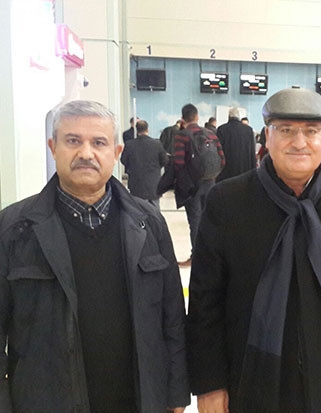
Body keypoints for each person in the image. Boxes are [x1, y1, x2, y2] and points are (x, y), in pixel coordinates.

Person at [186, 87, 321, 413]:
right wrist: (210, 383)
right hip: (251, 374)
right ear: (267, 137)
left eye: (311, 131)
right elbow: (206, 299)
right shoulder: (228, 201)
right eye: (285, 130)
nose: (299, 142)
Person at [0, 100, 190, 412]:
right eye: (73, 141)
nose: (86, 153)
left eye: (99, 143)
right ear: (53, 148)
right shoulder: (13, 229)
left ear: (116, 153)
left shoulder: (148, 223)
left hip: (138, 399)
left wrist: (176, 394)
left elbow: (172, 318)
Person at [173, 103, 224, 267]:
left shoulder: (181, 136)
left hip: (192, 186)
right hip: (210, 183)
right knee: (210, 219)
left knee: (195, 221)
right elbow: (222, 159)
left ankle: (196, 257)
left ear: (183, 119)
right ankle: (213, 255)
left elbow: (178, 164)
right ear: (197, 117)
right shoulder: (211, 134)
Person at [121, 119, 169, 208]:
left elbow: (123, 160)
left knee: (138, 209)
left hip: (136, 182)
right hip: (153, 182)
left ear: (136, 130)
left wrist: (132, 167)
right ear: (147, 129)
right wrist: (156, 168)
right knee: (154, 210)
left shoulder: (129, 144)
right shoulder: (157, 144)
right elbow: (165, 160)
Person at [216, 107, 256, 182]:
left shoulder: (221, 129)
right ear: (239, 117)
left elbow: (218, 152)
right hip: (244, 172)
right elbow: (252, 154)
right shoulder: (248, 130)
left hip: (226, 173)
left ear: (228, 117)